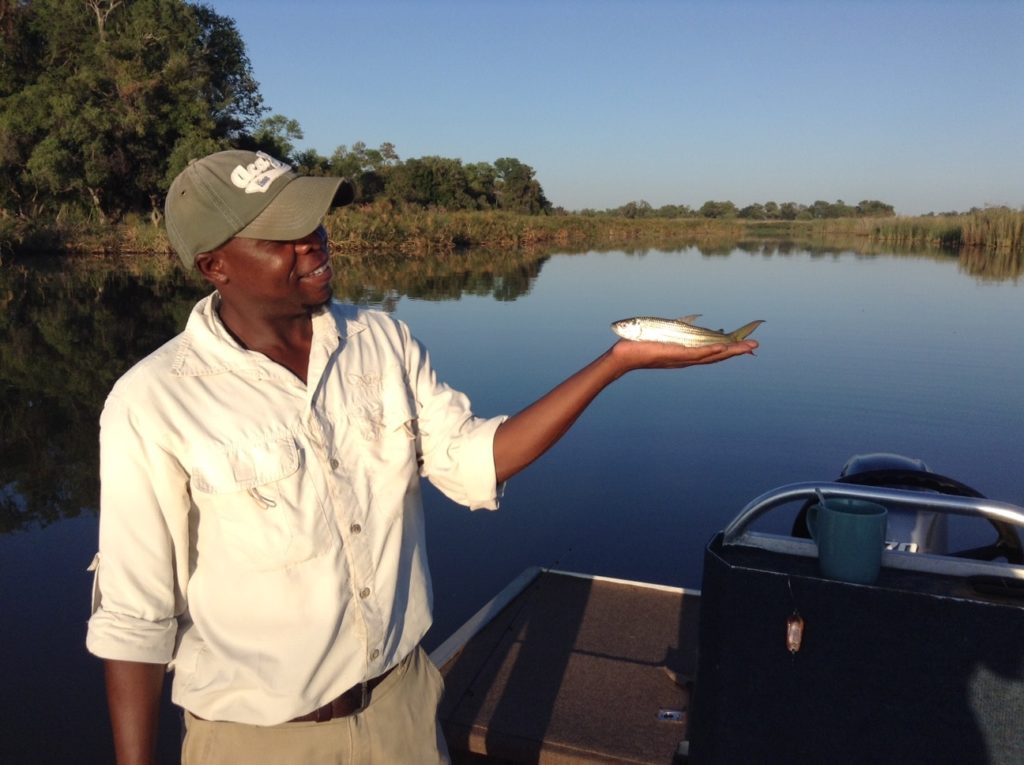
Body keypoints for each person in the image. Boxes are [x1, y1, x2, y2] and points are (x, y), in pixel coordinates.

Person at [86, 150, 758, 765]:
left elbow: (473, 460)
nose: (313, 242)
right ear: (215, 265)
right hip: (255, 740)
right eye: (282, 235)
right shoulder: (152, 403)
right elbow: (134, 620)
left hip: (403, 711)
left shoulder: (380, 340)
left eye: (314, 221)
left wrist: (617, 362)